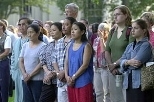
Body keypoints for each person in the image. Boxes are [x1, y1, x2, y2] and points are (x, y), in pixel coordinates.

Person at [105, 5, 134, 102]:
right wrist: (110, 66)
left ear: (126, 15)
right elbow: (107, 50)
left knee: (125, 98)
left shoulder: (130, 31)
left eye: (118, 14)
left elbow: (129, 53)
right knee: (114, 98)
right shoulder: (112, 31)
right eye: (114, 15)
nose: (115, 17)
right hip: (112, 71)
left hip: (126, 70)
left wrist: (114, 65)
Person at [120, 19, 153, 102]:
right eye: (132, 28)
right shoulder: (130, 45)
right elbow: (122, 61)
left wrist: (125, 63)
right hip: (129, 81)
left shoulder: (146, 45)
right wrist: (127, 62)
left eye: (136, 28)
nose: (133, 30)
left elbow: (137, 63)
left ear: (144, 30)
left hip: (141, 83)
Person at [65, 22, 93, 102]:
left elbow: (85, 65)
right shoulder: (70, 45)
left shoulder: (86, 46)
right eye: (72, 29)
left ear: (82, 32)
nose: (72, 31)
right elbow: (66, 62)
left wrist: (73, 77)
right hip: (71, 82)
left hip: (83, 81)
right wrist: (67, 76)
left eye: (75, 29)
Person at [19, 24, 46, 102]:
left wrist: (30, 75)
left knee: (37, 99)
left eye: (31, 32)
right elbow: (20, 61)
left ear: (38, 33)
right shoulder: (25, 45)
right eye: (28, 32)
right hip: (25, 78)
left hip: (37, 79)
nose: (29, 34)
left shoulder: (43, 46)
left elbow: (41, 63)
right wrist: (24, 74)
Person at [52, 17, 76, 102]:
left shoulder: (75, 41)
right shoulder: (59, 41)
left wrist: (64, 72)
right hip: (60, 81)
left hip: (71, 78)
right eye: (63, 25)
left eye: (67, 25)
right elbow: (54, 59)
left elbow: (74, 60)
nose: (64, 27)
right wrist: (58, 72)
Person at [39, 22, 63, 102]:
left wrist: (53, 73)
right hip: (48, 80)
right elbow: (42, 60)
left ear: (61, 31)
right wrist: (47, 72)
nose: (51, 32)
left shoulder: (65, 45)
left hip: (60, 79)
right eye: (50, 30)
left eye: (54, 30)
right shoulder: (48, 45)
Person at [11, 17, 32, 102]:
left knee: (27, 96)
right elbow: (13, 57)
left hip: (28, 74)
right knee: (18, 96)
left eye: (24, 24)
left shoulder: (32, 41)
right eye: (19, 24)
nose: (21, 26)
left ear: (29, 26)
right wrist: (12, 71)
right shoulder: (16, 41)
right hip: (17, 73)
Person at [93, 23, 110, 102]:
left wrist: (102, 39)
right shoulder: (95, 40)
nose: (100, 33)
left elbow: (104, 53)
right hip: (97, 68)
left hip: (105, 68)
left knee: (107, 92)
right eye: (99, 30)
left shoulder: (109, 40)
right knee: (98, 92)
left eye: (102, 31)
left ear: (107, 31)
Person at [0, 21, 11, 102]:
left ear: (1, 27)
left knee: (4, 85)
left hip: (3, 63)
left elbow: (6, 52)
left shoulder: (7, 38)